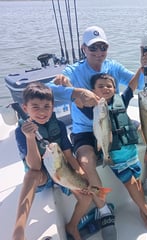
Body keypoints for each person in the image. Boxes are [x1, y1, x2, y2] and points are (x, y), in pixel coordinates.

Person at [48, 25, 147, 239]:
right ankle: (104, 211)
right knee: (86, 162)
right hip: (85, 130)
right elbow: (50, 90)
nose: (98, 52)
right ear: (83, 48)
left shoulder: (112, 66)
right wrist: (73, 90)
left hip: (113, 122)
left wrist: (144, 66)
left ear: (107, 48)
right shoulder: (73, 71)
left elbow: (139, 83)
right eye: (93, 48)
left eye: (102, 47)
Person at [81, 71, 147, 230]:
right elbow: (78, 101)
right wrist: (68, 87)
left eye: (109, 86)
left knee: (137, 182)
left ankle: (141, 211)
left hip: (131, 151)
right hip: (115, 155)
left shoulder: (122, 100)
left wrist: (142, 68)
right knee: (130, 183)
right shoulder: (92, 108)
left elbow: (132, 86)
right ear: (92, 91)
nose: (106, 88)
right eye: (100, 86)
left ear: (114, 88)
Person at [12, 82, 88, 240]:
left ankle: (72, 225)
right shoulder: (21, 132)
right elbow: (35, 166)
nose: (42, 111)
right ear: (25, 108)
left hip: (61, 172)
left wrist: (81, 175)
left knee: (86, 197)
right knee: (31, 175)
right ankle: (19, 230)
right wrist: (30, 138)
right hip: (42, 175)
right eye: (35, 107)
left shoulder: (58, 125)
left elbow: (68, 155)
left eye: (47, 106)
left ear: (53, 107)